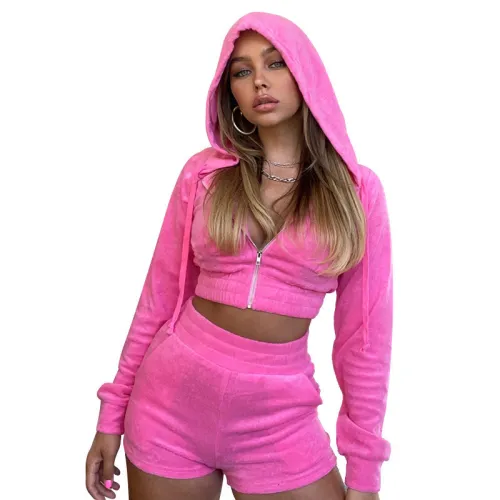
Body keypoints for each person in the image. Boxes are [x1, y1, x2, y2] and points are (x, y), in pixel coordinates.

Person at [85, 11, 393, 500]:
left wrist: (365, 471)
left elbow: (365, 341)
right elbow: (158, 299)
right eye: (242, 71)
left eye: (275, 63)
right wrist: (112, 412)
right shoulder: (206, 175)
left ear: (305, 72)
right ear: (229, 92)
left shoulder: (356, 192)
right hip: (169, 405)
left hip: (279, 419)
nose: (259, 82)